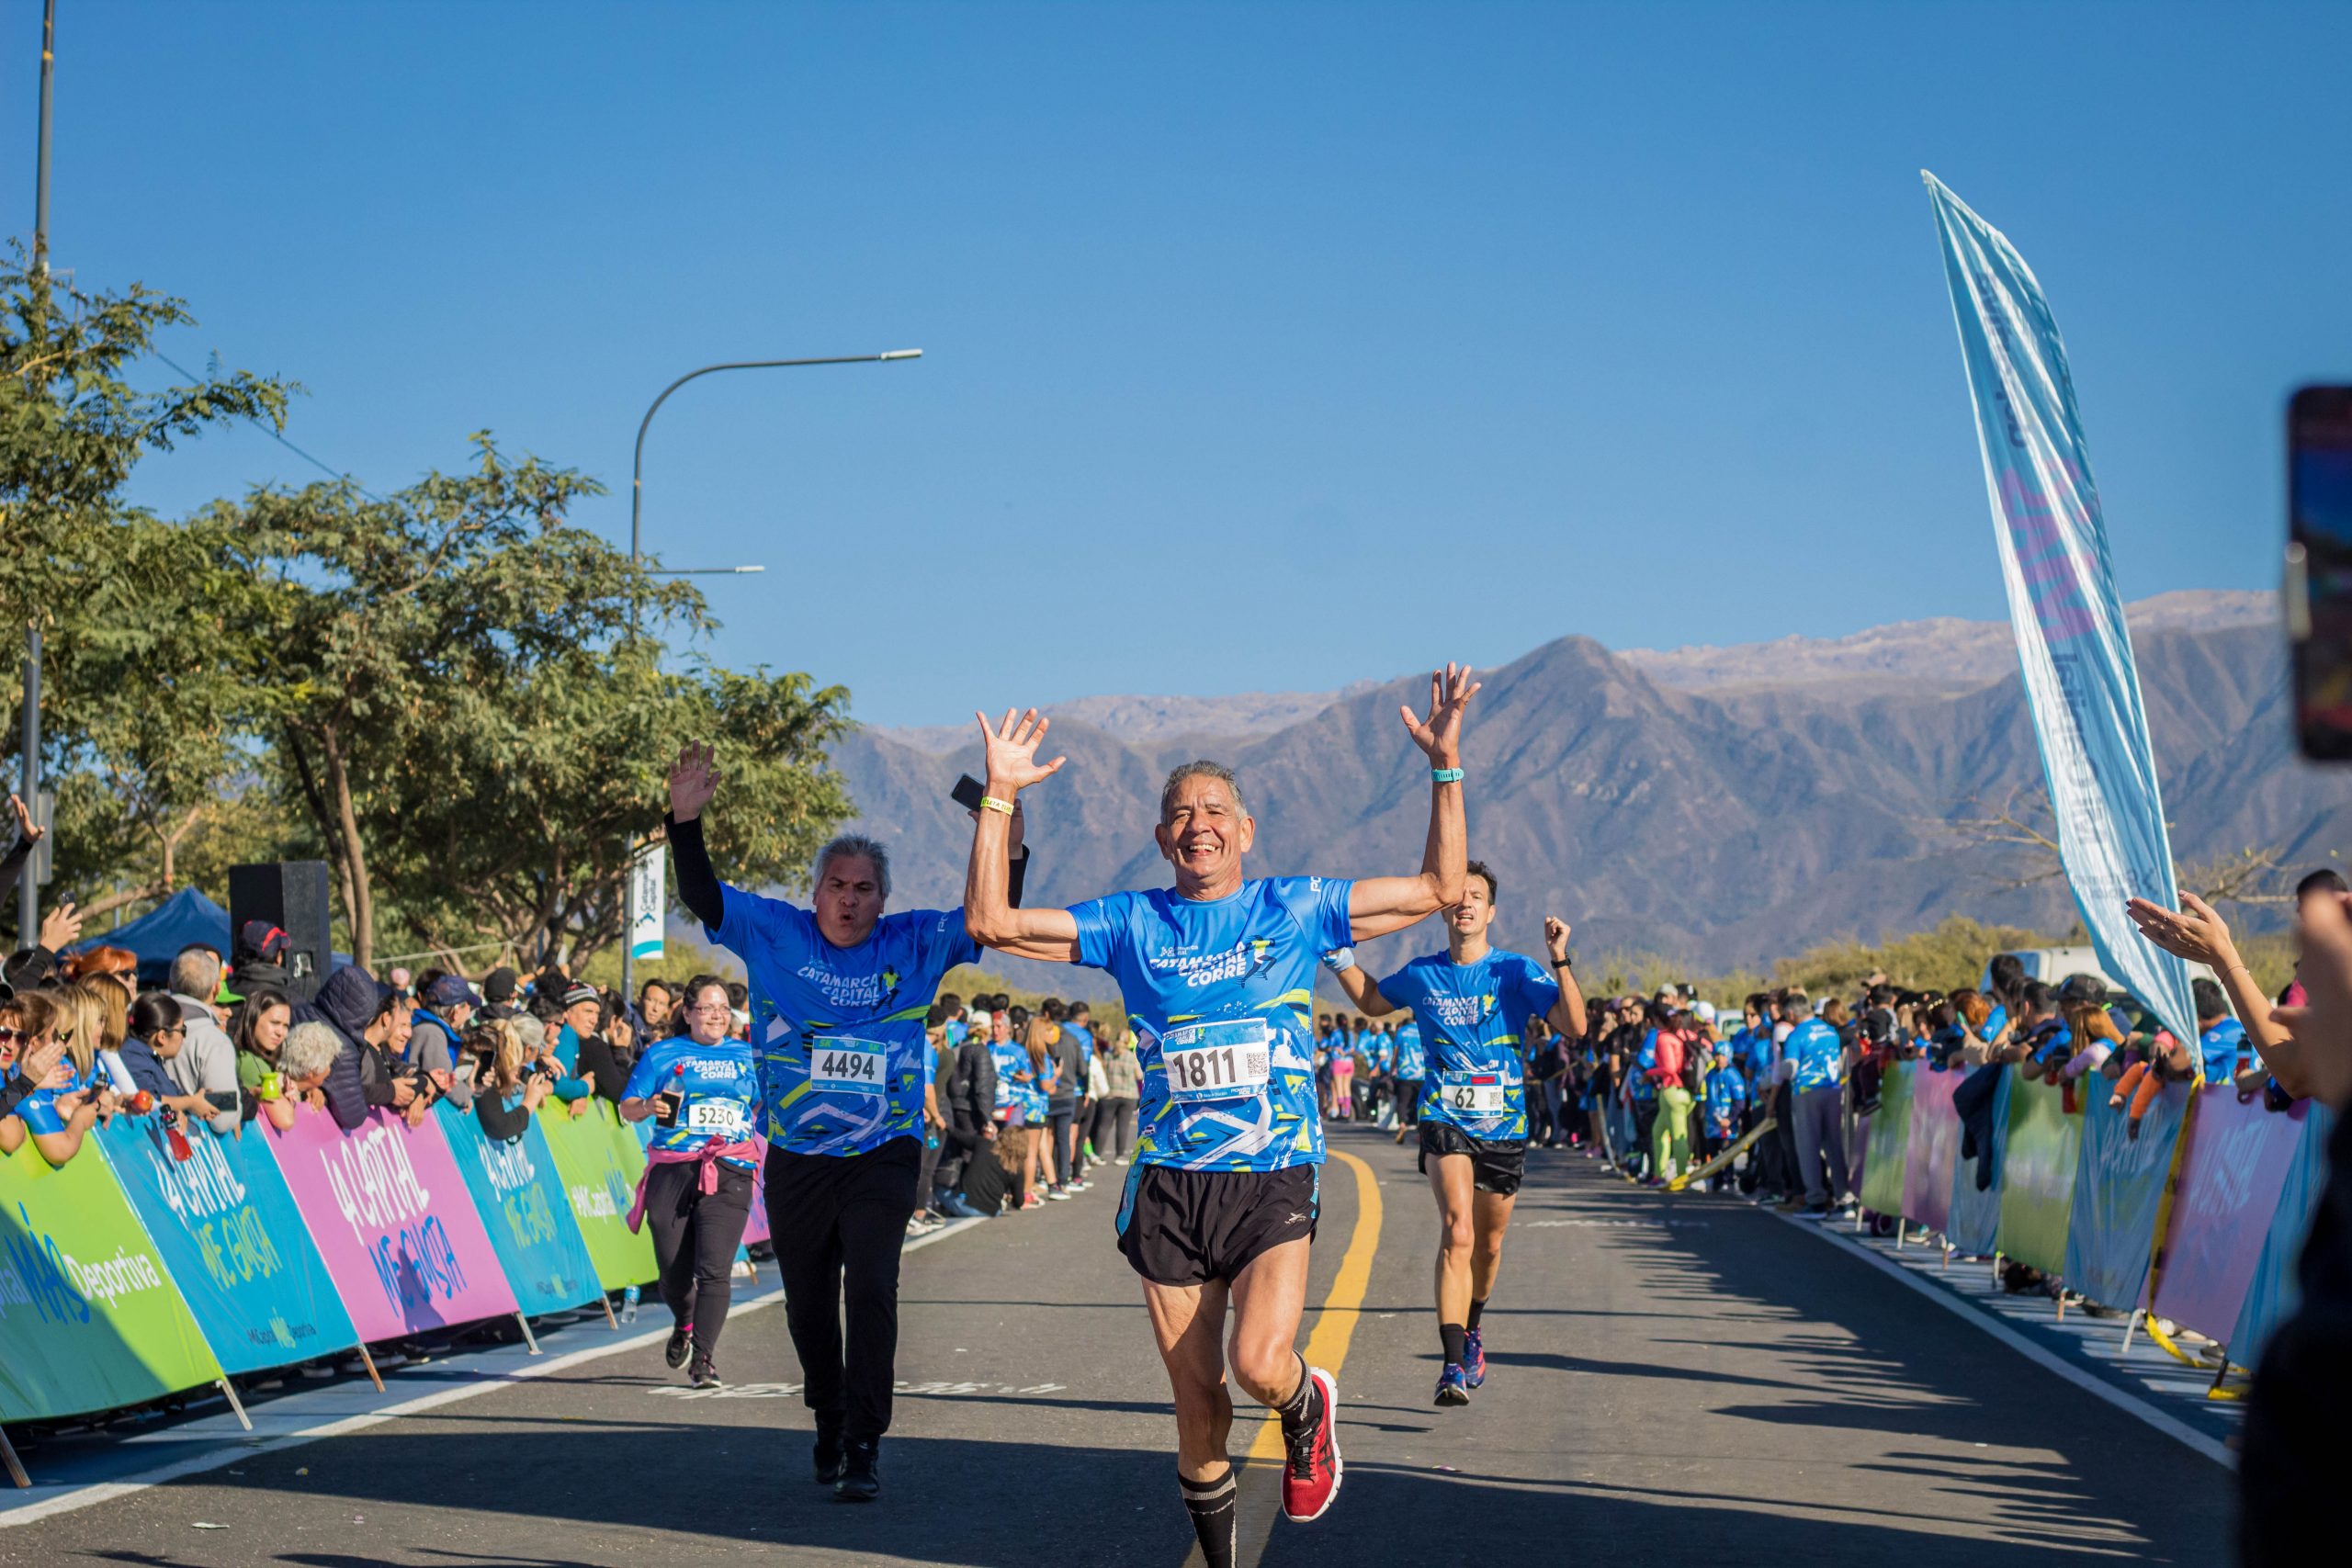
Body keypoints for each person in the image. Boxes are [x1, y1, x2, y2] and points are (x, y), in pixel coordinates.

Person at [962, 666, 1476, 1561]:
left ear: (1243, 831)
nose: (1198, 823)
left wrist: (1444, 769)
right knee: (1198, 1408)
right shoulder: (1130, 922)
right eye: (1181, 813)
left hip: (1270, 1173)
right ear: (1162, 838)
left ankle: (1304, 1405)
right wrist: (998, 798)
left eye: (1214, 811)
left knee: (1259, 1367)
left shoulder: (1297, 907)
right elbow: (991, 924)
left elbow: (1438, 888)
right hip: (1170, 1182)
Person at [663, 739, 1033, 1503]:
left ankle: (864, 1438)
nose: (850, 899)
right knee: (806, 1303)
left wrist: (1009, 841)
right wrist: (685, 822)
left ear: (882, 899)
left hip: (883, 1152)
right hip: (799, 1154)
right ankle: (827, 1413)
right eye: (837, 885)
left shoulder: (913, 943)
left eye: (865, 888)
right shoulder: (775, 934)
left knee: (871, 1283)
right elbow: (704, 897)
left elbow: (995, 920)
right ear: (817, 890)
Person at [1323, 859, 1583, 1405]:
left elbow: (1574, 1025)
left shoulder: (1514, 971)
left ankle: (1473, 1328)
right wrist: (1339, 957)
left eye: (1477, 896)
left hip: (1505, 1125)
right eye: (1457, 895)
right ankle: (1450, 1366)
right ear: (1443, 907)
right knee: (1458, 1230)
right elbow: (1373, 1003)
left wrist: (1559, 958)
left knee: (1487, 1246)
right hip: (1445, 1117)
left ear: (1490, 911)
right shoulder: (1421, 974)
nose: (1465, 903)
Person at [621, 974, 763, 1389]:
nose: (717, 1016)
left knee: (715, 1269)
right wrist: (649, 1105)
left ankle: (704, 1359)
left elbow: (762, 1103)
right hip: (673, 1167)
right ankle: (684, 1320)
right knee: (673, 1273)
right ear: (688, 1012)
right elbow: (627, 1107)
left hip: (730, 1169)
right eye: (707, 1008)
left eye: (724, 1009)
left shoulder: (748, 1055)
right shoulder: (662, 1055)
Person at [1781, 995, 1849, 1216]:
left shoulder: (1796, 1035)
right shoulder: (1830, 1031)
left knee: (1808, 1146)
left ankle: (1816, 1199)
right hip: (1832, 1089)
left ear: (1791, 1014)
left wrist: (1772, 1077)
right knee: (1834, 1144)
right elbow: (1839, 1062)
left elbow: (1790, 1068)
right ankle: (1844, 1197)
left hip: (1806, 1091)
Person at [1092, 1026, 1142, 1165]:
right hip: (1129, 1095)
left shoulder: (1108, 1055)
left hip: (1110, 1094)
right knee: (1123, 1126)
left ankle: (1096, 1154)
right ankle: (1119, 1156)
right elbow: (1139, 1075)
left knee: (1104, 1126)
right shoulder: (1132, 1056)